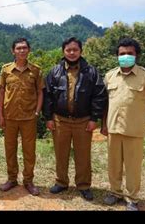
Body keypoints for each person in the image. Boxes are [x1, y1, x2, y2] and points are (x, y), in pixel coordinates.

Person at [101, 37, 145, 211]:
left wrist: (139, 112)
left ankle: (132, 198)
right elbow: (106, 102)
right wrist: (104, 124)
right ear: (117, 56)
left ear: (136, 55)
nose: (126, 56)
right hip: (113, 128)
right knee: (113, 165)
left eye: (130, 53)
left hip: (134, 129)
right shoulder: (110, 76)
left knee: (133, 167)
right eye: (122, 54)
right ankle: (115, 193)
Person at [43, 37, 107, 201]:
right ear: (63, 51)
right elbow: (48, 96)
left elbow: (99, 96)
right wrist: (48, 118)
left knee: (83, 155)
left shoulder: (91, 72)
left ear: (80, 51)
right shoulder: (54, 71)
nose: (72, 53)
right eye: (68, 50)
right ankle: (61, 182)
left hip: (83, 121)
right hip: (60, 120)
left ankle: (84, 185)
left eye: (75, 50)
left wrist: (94, 119)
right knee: (61, 153)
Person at [0, 38, 44, 196]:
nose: (22, 50)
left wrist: (37, 112)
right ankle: (11, 179)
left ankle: (28, 181)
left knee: (29, 151)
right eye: (18, 48)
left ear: (29, 50)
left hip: (29, 118)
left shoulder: (36, 70)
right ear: (13, 51)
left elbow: (40, 92)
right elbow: (1, 92)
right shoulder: (6, 70)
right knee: (10, 149)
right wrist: (0, 115)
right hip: (9, 117)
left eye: (24, 48)